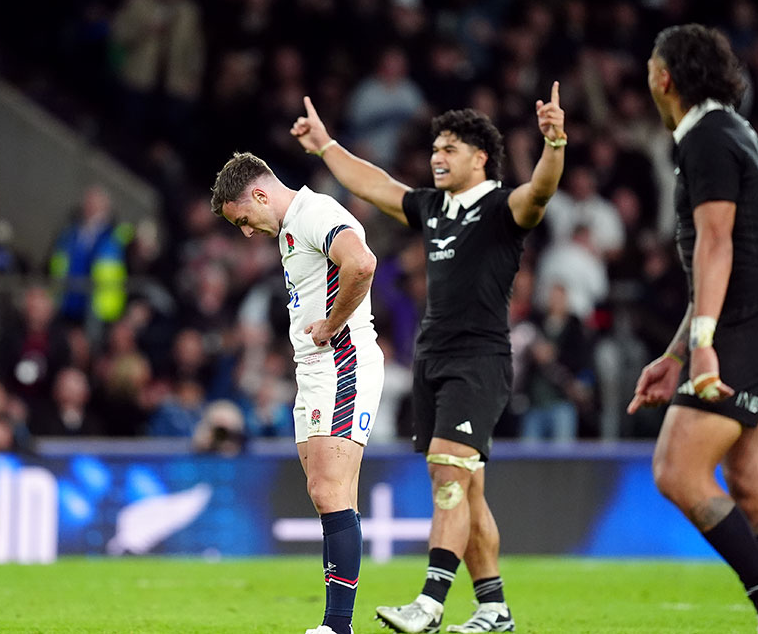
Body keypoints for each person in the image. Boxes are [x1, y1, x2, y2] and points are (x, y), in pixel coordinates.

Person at [292, 85, 566, 633]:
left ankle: (431, 602)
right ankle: (493, 608)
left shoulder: (501, 206)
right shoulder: (433, 207)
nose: (437, 157)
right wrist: (326, 146)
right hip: (432, 360)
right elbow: (375, 185)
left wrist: (554, 144)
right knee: (468, 488)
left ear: (480, 158)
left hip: (480, 361)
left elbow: (539, 191)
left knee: (448, 471)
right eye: (435, 148)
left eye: (450, 149)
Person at [629, 24, 758, 634]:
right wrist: (677, 352)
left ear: (665, 78)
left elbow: (716, 245)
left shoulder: (705, 138)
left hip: (746, 324)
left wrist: (704, 344)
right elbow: (724, 254)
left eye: (652, 69)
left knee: (676, 470)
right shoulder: (734, 131)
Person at [211, 152, 383, 634]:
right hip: (314, 370)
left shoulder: (317, 214)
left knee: (331, 490)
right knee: (324, 492)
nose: (246, 232)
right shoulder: (291, 228)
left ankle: (337, 625)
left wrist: (331, 324)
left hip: (342, 363)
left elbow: (362, 263)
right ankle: (335, 623)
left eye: (244, 220)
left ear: (261, 195)